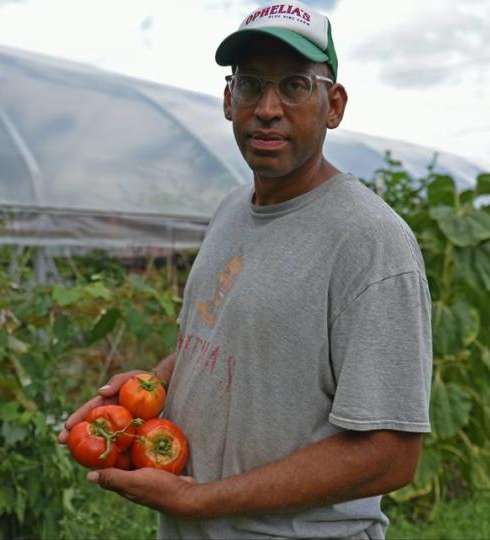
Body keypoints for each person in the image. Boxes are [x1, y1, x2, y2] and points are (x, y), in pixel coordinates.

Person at [58, 1, 433, 537]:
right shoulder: (232, 209)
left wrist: (202, 500)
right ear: (228, 100)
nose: (268, 107)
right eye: (252, 84)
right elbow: (225, 337)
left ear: (334, 104)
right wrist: (153, 382)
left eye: (296, 85)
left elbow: (390, 456)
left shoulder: (371, 243)